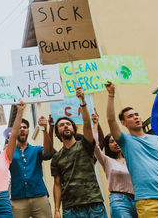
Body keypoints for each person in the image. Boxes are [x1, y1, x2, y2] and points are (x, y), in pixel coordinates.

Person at [105, 81, 158, 217]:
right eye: (130, 116)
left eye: (137, 115)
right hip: (146, 201)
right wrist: (111, 95)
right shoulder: (125, 141)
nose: (136, 118)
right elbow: (110, 121)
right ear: (123, 123)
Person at [50, 87, 107, 218]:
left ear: (73, 129)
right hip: (70, 209)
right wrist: (57, 210)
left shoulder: (86, 145)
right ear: (58, 132)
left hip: (94, 205)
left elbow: (87, 124)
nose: (65, 126)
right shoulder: (56, 158)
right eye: (61, 125)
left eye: (68, 124)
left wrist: (82, 101)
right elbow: (57, 184)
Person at [91, 111, 137, 218]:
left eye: (117, 140)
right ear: (108, 145)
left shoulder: (131, 158)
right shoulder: (106, 160)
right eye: (112, 141)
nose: (116, 143)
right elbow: (94, 146)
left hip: (139, 199)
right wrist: (95, 124)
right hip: (119, 200)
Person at [9, 116, 54, 218]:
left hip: (39, 196)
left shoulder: (36, 149)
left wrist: (44, 129)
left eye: (25, 127)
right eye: (19, 128)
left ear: (28, 130)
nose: (22, 129)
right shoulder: (9, 153)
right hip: (18, 199)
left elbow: (48, 153)